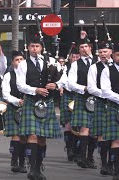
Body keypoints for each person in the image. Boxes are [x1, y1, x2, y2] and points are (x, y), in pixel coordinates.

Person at [16, 35, 62, 180]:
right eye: (32, 46)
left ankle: (38, 167)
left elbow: (64, 78)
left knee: (42, 138)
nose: (34, 49)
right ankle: (32, 168)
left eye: (37, 46)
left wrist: (56, 85)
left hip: (47, 102)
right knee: (32, 135)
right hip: (31, 101)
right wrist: (35, 90)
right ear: (28, 48)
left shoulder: (51, 61)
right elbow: (20, 85)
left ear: (41, 48)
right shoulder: (23, 64)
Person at [68, 33, 98, 169]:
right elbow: (71, 84)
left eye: (86, 46)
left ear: (90, 47)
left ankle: (90, 156)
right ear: (79, 49)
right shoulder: (75, 65)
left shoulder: (98, 61)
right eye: (81, 47)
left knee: (95, 130)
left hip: (98, 98)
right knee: (84, 129)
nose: (84, 49)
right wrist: (85, 88)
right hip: (83, 97)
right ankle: (82, 157)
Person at [87, 42, 113, 175]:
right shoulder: (94, 68)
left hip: (115, 104)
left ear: (111, 52)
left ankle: (112, 163)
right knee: (102, 135)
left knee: (114, 136)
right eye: (101, 52)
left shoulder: (116, 66)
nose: (103, 54)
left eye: (105, 51)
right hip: (102, 103)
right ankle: (104, 164)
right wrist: (106, 94)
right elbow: (91, 87)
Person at [2, 50, 27, 173]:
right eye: (17, 60)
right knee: (16, 135)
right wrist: (18, 101)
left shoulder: (29, 75)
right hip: (14, 107)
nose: (19, 62)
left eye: (21, 59)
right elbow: (5, 94)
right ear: (12, 62)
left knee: (24, 137)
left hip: (27, 107)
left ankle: (22, 162)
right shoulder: (8, 75)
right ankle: (14, 161)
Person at [100, 43, 119, 180]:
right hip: (114, 107)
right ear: (113, 55)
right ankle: (116, 171)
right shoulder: (107, 70)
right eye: (118, 55)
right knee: (116, 140)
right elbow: (106, 91)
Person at [59, 47, 80, 162]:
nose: (75, 58)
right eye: (73, 57)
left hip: (79, 96)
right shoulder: (66, 68)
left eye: (77, 56)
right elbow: (62, 81)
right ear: (70, 57)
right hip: (68, 95)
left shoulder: (83, 67)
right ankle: (70, 149)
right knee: (68, 125)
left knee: (78, 124)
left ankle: (77, 149)